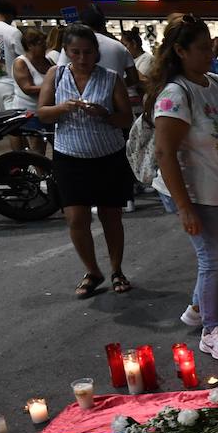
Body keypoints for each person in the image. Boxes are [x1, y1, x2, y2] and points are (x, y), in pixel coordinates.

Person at [148, 14, 218, 359]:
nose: (210, 54)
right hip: (193, 191)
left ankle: (197, 307)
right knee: (213, 256)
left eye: (211, 47)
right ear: (180, 51)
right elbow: (164, 153)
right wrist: (184, 207)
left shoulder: (215, 82)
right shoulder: (175, 94)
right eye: (203, 48)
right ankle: (211, 330)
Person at [35, 24, 135, 298]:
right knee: (76, 218)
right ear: (66, 52)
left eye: (88, 52)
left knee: (110, 216)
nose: (82, 58)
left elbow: (126, 118)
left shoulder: (111, 78)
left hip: (107, 156)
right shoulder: (56, 75)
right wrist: (62, 108)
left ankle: (117, 269)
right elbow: (42, 113)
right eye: (75, 52)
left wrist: (104, 114)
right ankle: (93, 271)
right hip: (70, 156)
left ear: (96, 52)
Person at [10, 26, 52, 152]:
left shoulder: (48, 61)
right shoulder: (20, 63)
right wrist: (50, 87)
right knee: (37, 147)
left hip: (46, 110)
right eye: (41, 44)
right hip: (29, 111)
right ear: (29, 45)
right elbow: (27, 88)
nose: (45, 47)